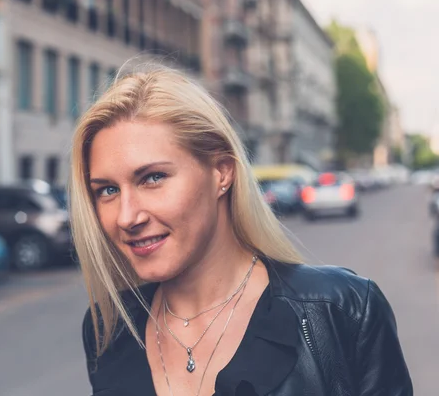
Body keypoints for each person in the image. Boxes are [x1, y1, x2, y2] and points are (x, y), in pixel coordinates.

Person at [69, 65, 412, 396]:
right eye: (107, 190)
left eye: (153, 178)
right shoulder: (108, 329)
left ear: (222, 171)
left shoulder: (341, 310)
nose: (127, 217)